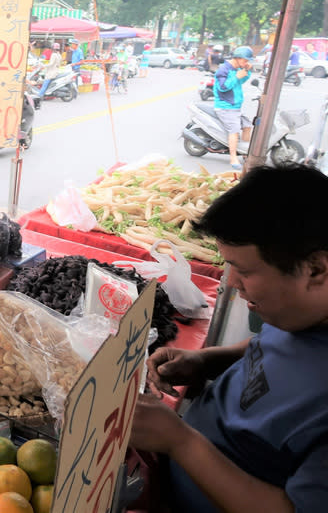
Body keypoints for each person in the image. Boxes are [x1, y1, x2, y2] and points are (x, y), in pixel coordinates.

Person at [130, 165, 328, 513]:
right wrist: (207, 361)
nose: (229, 282)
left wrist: (181, 443)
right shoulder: (298, 312)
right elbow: (271, 347)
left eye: (245, 270)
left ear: (316, 270)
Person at [213, 46, 253, 170]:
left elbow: (241, 80)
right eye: (246, 61)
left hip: (235, 107)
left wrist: (247, 71)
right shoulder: (223, 69)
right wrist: (236, 77)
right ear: (238, 58)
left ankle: (245, 152)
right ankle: (233, 157)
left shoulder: (237, 68)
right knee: (234, 131)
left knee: (247, 126)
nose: (247, 63)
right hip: (225, 107)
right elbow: (223, 87)